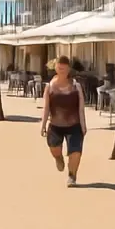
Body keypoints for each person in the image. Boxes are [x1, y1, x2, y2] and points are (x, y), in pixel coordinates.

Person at [40, 55, 87, 187]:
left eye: (64, 69)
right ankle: (58, 158)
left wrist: (83, 125)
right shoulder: (50, 87)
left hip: (74, 125)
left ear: (68, 70)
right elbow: (46, 107)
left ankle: (72, 176)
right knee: (54, 148)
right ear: (55, 68)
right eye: (59, 68)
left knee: (76, 152)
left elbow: (81, 107)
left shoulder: (76, 86)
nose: (62, 71)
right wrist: (43, 125)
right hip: (55, 125)